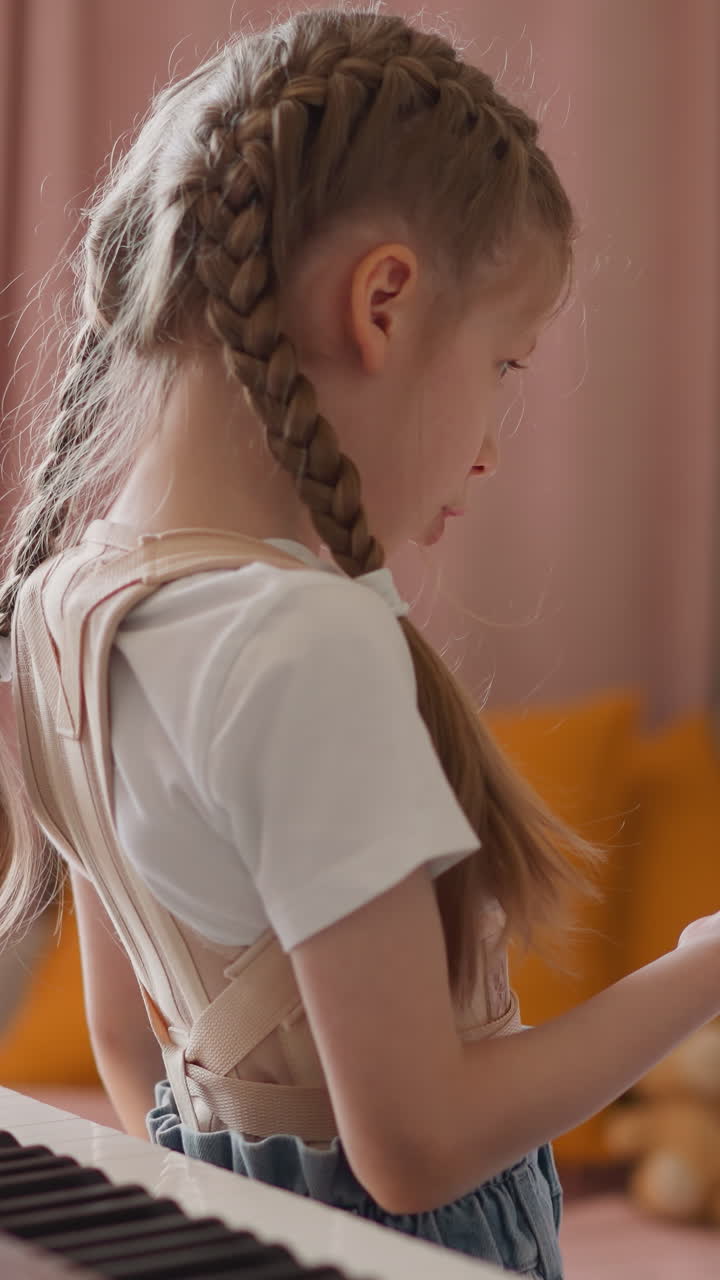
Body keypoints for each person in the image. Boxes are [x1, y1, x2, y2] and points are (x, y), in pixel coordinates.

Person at [0, 10, 719, 1279]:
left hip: (233, 1223)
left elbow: (130, 1044)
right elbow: (419, 1142)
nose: (496, 443)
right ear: (383, 301)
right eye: (505, 360)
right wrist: (697, 972)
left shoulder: (64, 602)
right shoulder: (299, 638)